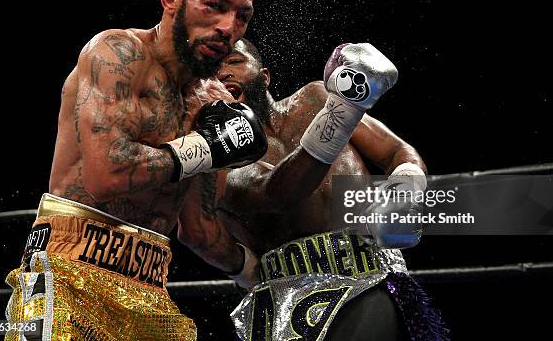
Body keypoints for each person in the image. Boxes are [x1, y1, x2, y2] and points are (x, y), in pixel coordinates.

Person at [4, 0, 268, 341]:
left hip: (150, 284)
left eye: (241, 16)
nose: (228, 27)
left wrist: (258, 273)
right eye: (215, 6)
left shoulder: (207, 100)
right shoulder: (117, 54)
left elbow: (198, 225)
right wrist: (202, 148)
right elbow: (105, 174)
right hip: (68, 272)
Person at [178, 39, 449, 340]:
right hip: (282, 304)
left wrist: (403, 193)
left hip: (367, 274)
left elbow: (396, 152)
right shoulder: (218, 155)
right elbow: (273, 192)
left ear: (264, 75)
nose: (221, 74)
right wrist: (344, 109)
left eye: (233, 61)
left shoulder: (315, 97)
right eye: (210, 71)